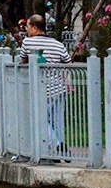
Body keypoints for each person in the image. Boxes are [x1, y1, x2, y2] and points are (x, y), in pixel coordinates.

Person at [20, 14, 72, 153]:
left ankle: (55, 144)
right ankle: (60, 149)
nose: (27, 30)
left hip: (41, 88)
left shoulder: (28, 43)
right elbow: (68, 63)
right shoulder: (58, 44)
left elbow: (23, 60)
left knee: (38, 118)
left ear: (35, 28)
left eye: (28, 27)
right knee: (57, 121)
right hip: (59, 88)